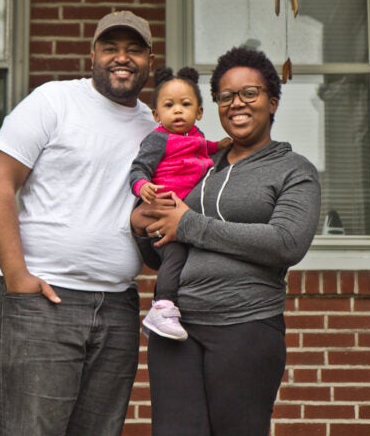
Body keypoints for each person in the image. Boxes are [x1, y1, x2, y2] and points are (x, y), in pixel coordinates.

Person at [0, 10, 156, 436]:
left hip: (117, 308)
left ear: (149, 61)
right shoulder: (54, 100)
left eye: (134, 50)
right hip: (44, 303)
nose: (122, 58)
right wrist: (17, 276)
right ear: (92, 53)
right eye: (111, 48)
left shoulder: (153, 125)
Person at [137, 46, 321, 436]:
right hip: (177, 330)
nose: (237, 103)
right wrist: (140, 225)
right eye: (226, 95)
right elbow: (160, 255)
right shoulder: (198, 169)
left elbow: (286, 242)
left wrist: (187, 224)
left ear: (272, 102)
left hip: (246, 328)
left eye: (249, 94)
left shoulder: (293, 171)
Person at [129, 66, 231, 341]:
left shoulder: (195, 135)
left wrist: (218, 146)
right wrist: (143, 186)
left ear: (198, 112)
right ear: (156, 114)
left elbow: (202, 147)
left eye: (185, 105)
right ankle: (161, 306)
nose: (177, 111)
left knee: (186, 257)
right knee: (174, 256)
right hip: (162, 211)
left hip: (185, 216)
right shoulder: (157, 139)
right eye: (169, 105)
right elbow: (139, 168)